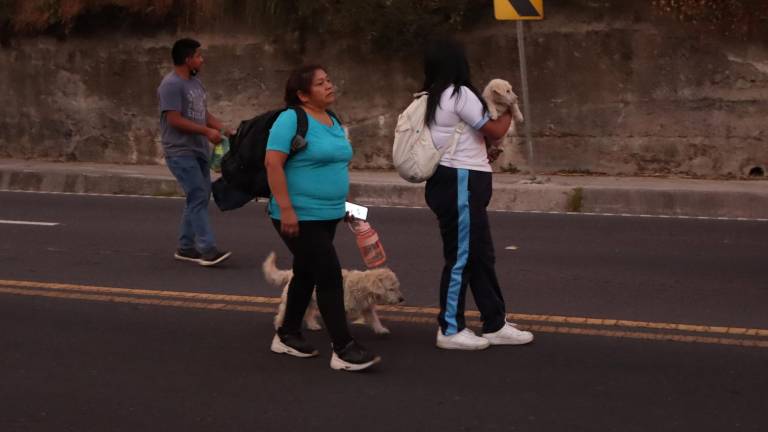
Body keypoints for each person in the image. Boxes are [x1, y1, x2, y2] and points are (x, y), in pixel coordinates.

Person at [265, 65, 380, 371]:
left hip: (328, 213)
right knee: (329, 274)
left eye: (329, 79)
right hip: (298, 215)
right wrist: (286, 208)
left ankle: (287, 333)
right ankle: (343, 348)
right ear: (303, 94)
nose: (329, 85)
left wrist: (344, 206)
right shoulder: (291, 119)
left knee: (306, 272)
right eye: (320, 83)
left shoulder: (333, 120)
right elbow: (273, 164)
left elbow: (333, 166)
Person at [421, 38, 534, 350]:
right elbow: (495, 130)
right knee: (461, 257)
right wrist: (511, 106)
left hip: (462, 180)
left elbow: (474, 138)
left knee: (481, 255)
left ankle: (494, 322)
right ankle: (450, 328)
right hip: (459, 182)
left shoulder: (437, 96)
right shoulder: (458, 94)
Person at [157, 38, 231, 267]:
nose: (202, 60)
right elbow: (174, 119)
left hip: (198, 150)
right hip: (179, 151)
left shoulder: (196, 84)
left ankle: (185, 247)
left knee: (198, 196)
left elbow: (203, 113)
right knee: (198, 194)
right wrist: (207, 132)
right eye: (198, 56)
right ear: (188, 59)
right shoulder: (170, 85)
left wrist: (223, 128)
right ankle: (207, 249)